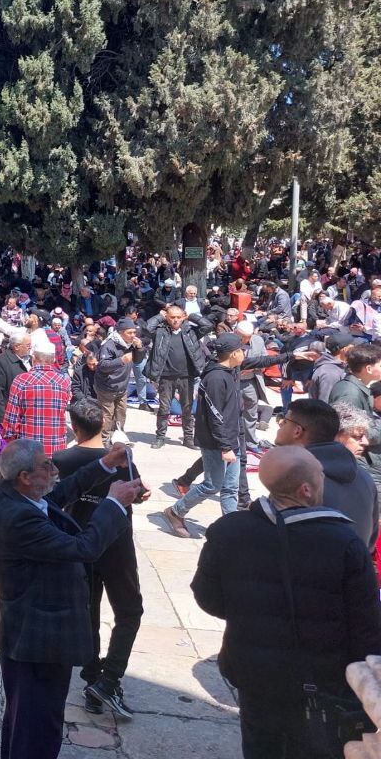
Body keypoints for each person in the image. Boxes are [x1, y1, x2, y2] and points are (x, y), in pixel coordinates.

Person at [192, 445, 381, 758]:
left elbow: (208, 599)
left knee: (259, 746)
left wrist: (251, 612)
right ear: (306, 489)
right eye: (320, 476)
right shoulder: (344, 542)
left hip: (253, 671)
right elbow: (367, 626)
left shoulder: (228, 530)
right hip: (323, 681)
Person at [0, 438, 142, 759]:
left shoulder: (15, 493)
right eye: (47, 465)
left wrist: (106, 464)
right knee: (38, 726)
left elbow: (61, 491)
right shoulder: (20, 516)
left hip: (31, 635)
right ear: (25, 477)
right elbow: (84, 548)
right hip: (37, 641)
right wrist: (113, 504)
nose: (54, 468)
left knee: (24, 722)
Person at [52, 400, 144, 719]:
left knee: (89, 613)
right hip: (117, 545)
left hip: (81, 543)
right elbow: (140, 491)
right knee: (130, 611)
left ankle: (93, 679)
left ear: (73, 426)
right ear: (103, 424)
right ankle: (109, 679)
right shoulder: (121, 459)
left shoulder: (62, 458)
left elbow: (58, 500)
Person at [275, 397, 380, 550]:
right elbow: (369, 543)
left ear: (297, 431)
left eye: (285, 421)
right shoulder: (365, 478)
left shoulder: (297, 478)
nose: (365, 442)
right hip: (352, 569)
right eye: (357, 437)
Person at [143, 304, 208, 449]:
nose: (176, 320)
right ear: (167, 317)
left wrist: (192, 316)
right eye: (172, 317)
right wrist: (160, 315)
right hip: (166, 376)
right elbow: (146, 328)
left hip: (187, 376)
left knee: (187, 408)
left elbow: (208, 326)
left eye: (179, 317)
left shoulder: (191, 331)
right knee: (164, 409)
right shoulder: (160, 332)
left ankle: (188, 438)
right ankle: (160, 437)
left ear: (183, 317)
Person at [2, 344, 70, 454]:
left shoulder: (21, 380)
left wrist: (9, 440)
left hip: (28, 447)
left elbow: (12, 418)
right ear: (53, 360)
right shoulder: (64, 381)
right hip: (56, 445)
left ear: (33, 358)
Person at [95, 319, 144, 444]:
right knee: (107, 414)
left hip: (122, 386)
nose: (133, 335)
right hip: (107, 386)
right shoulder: (109, 345)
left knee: (121, 413)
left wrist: (139, 348)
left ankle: (118, 435)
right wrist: (121, 360)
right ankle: (103, 440)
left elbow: (138, 360)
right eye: (130, 332)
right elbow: (103, 366)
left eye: (134, 332)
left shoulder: (130, 344)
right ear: (121, 332)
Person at [0, 331, 31, 424]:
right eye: (28, 345)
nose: (30, 347)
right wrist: (2, 418)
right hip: (12, 414)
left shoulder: (30, 359)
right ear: (17, 346)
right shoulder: (0, 362)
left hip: (29, 413)